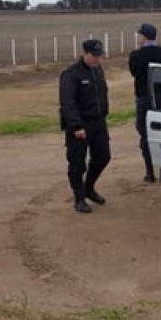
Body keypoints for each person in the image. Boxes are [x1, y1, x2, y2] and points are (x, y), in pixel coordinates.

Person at [59, 39, 111, 214]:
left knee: (103, 156)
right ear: (85, 54)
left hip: (98, 123)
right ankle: (79, 198)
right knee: (77, 163)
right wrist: (76, 126)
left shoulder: (98, 71)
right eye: (94, 56)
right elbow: (68, 103)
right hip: (80, 126)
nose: (98, 59)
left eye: (99, 56)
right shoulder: (72, 74)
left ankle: (89, 187)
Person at [128, 23, 161, 184]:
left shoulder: (135, 55)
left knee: (145, 134)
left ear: (144, 36)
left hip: (144, 97)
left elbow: (134, 73)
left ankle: (149, 172)